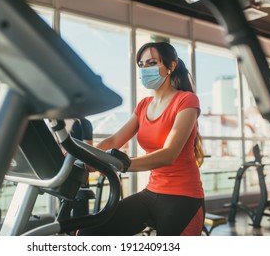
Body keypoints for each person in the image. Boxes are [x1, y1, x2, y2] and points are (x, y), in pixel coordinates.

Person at [78, 42, 205, 236]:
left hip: (184, 196)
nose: (146, 69)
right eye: (142, 64)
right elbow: (114, 141)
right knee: (89, 234)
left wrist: (121, 164)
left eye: (152, 63)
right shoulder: (144, 105)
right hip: (151, 192)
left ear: (171, 66)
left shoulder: (186, 100)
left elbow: (169, 154)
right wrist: (86, 157)